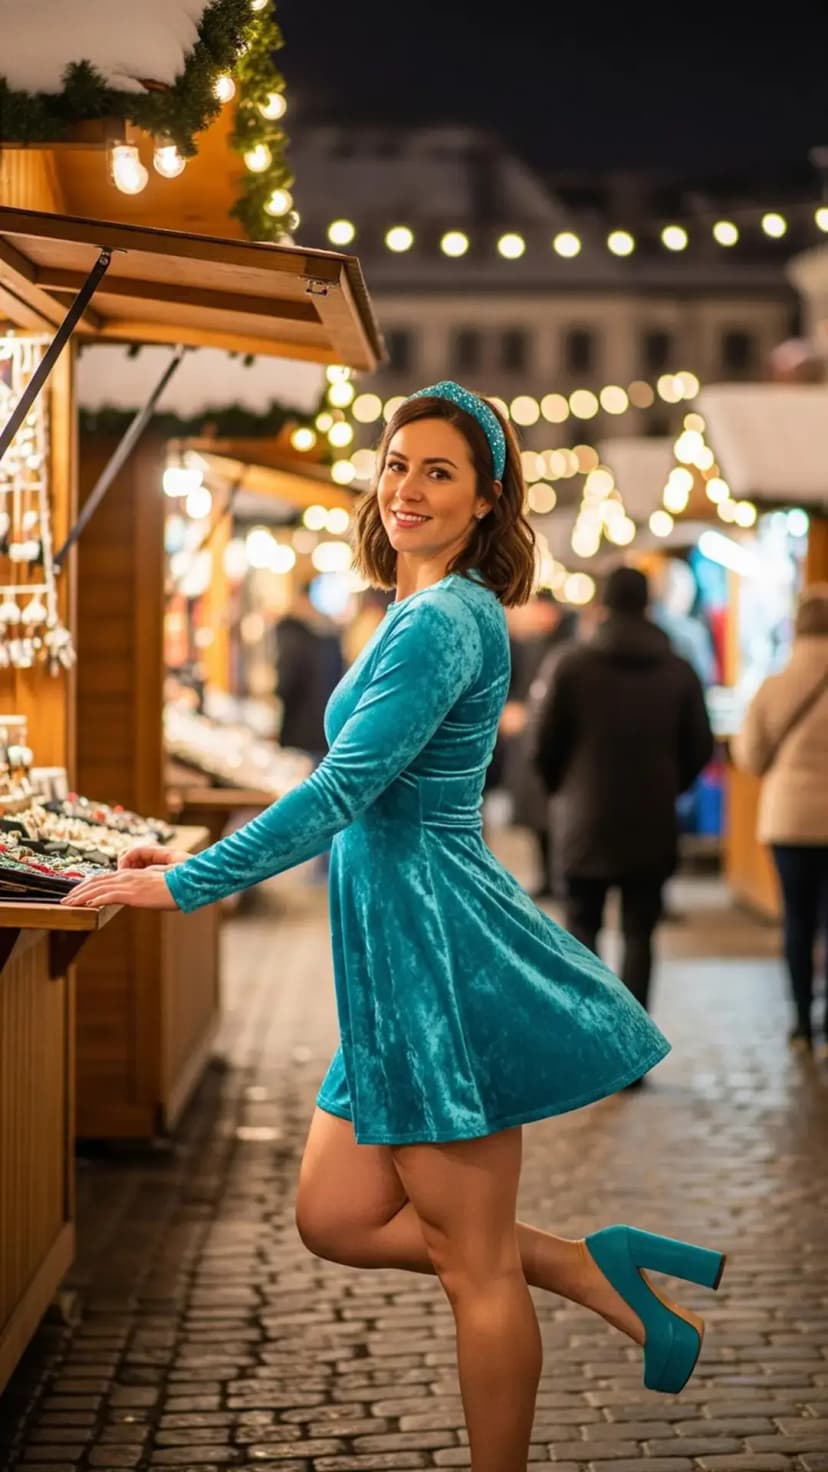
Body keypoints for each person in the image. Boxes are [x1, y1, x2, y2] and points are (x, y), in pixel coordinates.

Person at [62, 383, 725, 1471]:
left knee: (476, 1269)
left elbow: (342, 789)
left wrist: (183, 884)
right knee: (333, 1211)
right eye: (398, 463)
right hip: (394, 958)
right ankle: (594, 1265)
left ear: (483, 500)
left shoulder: (447, 617)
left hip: (435, 957)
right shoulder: (415, 611)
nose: (408, 487)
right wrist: (180, 859)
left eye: (440, 471)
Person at [534, 565, 714, 1019]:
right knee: (639, 933)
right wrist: (671, 786)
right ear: (648, 606)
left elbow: (542, 745)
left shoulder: (571, 665)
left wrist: (564, 792)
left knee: (582, 931)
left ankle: (592, 1043)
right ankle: (633, 1047)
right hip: (652, 819)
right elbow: (699, 747)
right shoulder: (678, 670)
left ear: (601, 606)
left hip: (583, 819)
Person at [732, 583, 828, 1056]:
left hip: (788, 822)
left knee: (798, 920)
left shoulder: (774, 685)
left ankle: (801, 1024)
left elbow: (747, 755)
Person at [501, 591, 575, 899]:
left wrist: (525, 715)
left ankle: (557, 878)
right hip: (533, 743)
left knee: (551, 816)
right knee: (537, 818)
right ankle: (548, 877)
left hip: (552, 745)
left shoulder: (565, 651)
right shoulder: (535, 645)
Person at [275, 580, 344, 763]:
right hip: (326, 730)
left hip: (298, 732)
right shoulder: (331, 636)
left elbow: (285, 684)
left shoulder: (292, 634)